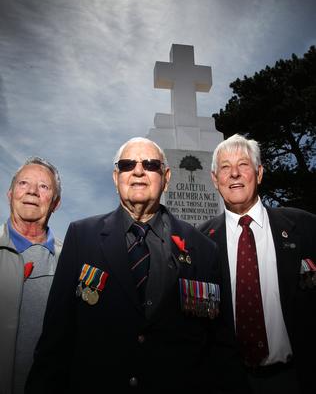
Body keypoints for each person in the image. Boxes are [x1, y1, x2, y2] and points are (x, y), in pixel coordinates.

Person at [26, 137, 248, 394]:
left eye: (151, 164)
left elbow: (221, 348)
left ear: (166, 177)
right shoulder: (82, 237)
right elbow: (56, 341)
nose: (138, 171)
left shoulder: (203, 248)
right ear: (115, 177)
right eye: (127, 164)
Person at [199, 134, 316, 394]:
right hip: (228, 382)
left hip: (296, 379)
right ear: (215, 180)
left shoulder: (305, 228)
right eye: (225, 168)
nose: (234, 174)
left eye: (243, 165)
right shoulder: (199, 242)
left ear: (259, 173)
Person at [0, 156, 62, 394]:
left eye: (44, 186)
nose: (32, 192)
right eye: (24, 183)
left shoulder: (72, 260)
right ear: (10, 193)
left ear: (55, 203)